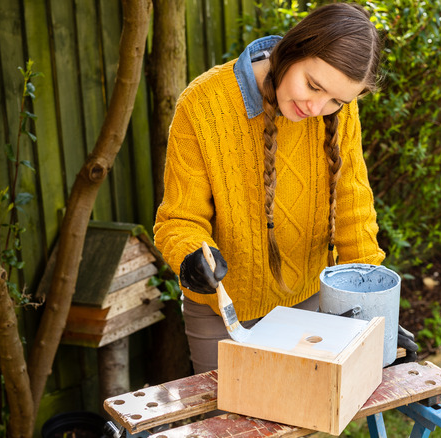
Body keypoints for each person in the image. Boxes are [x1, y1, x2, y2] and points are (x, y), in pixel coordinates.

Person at [153, 2, 416, 375]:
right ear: (293, 48)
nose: (316, 106)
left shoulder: (339, 112)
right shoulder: (202, 105)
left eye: (336, 101)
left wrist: (379, 318)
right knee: (232, 427)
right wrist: (190, 255)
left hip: (311, 302)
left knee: (306, 422)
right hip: (223, 313)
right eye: (313, 85)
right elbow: (178, 219)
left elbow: (352, 210)